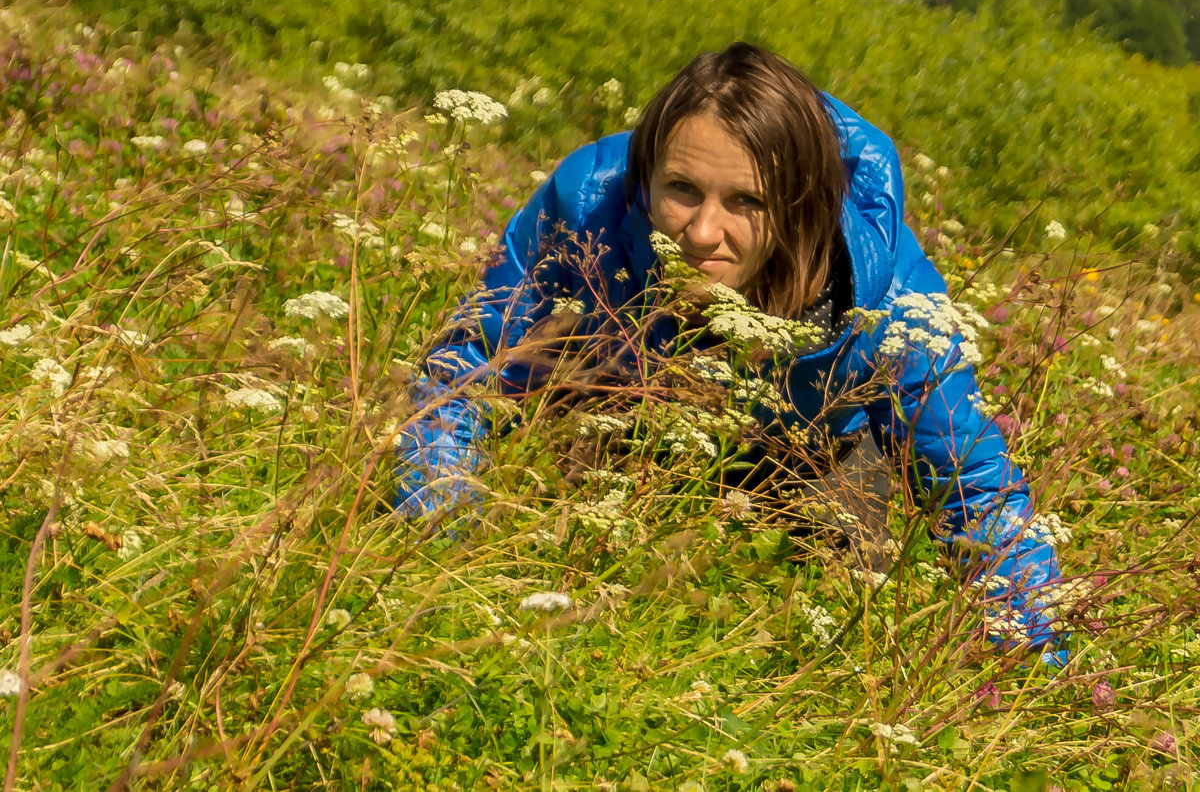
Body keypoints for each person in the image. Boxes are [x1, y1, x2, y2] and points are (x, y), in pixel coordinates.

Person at [392, 42, 1067, 661]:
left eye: (746, 201)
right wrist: (437, 553)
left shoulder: (888, 296)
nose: (702, 232)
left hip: (809, 471)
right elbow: (463, 371)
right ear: (645, 174)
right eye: (682, 190)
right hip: (612, 440)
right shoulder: (587, 207)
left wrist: (1037, 669)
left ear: (802, 206)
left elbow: (974, 491)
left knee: (808, 650)